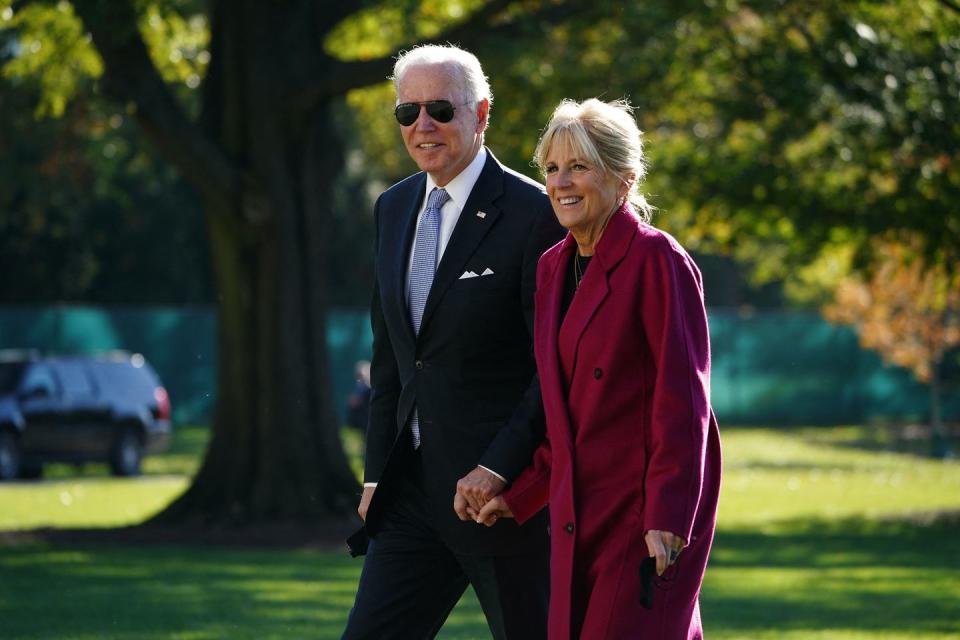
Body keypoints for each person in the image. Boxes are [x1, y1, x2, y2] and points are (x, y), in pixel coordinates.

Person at [473, 98, 722, 639]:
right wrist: (518, 496)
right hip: (574, 519)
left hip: (640, 516)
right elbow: (568, 415)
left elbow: (684, 402)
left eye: (579, 167)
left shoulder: (659, 259)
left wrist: (669, 514)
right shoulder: (552, 267)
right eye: (552, 168)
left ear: (624, 179)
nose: (561, 182)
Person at [341, 44, 565, 640]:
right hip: (410, 497)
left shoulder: (534, 213)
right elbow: (392, 356)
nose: (423, 125)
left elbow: (555, 363)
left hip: (503, 501)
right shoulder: (391, 208)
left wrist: (499, 467)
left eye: (440, 108)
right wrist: (374, 476)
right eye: (407, 112)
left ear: (481, 113)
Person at [345, 360, 371, 432]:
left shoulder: (370, 390)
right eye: (358, 376)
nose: (359, 380)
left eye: (361, 376)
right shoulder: (358, 389)